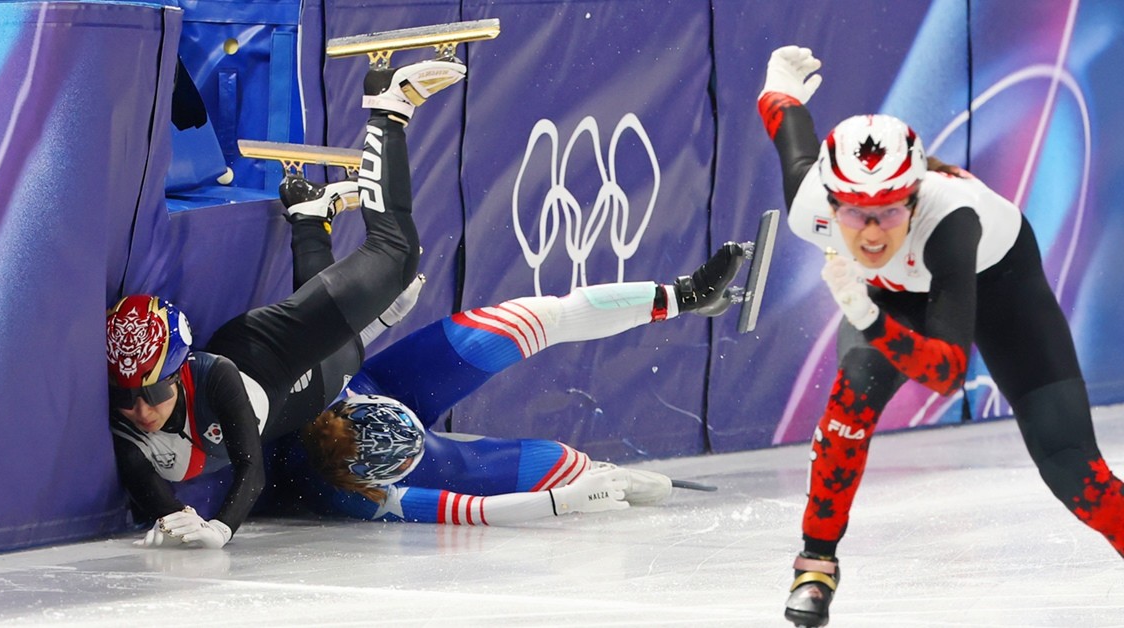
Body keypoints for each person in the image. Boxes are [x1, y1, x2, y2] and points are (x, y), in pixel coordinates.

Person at [756, 45, 1124, 626]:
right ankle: (815, 566)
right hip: (893, 297)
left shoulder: (952, 219)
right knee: (848, 405)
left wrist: (867, 317)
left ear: (916, 195)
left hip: (998, 287)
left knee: (1071, 467)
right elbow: (790, 134)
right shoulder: (811, 206)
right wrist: (777, 92)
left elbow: (947, 373)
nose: (871, 233)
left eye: (890, 211)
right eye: (853, 212)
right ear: (830, 202)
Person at [105, 57, 467, 549]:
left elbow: (250, 469)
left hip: (265, 353)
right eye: (125, 397)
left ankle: (388, 107)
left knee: (396, 256)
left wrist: (220, 528)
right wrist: (175, 519)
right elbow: (152, 494)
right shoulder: (130, 433)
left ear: (178, 371)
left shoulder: (214, 375)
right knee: (342, 352)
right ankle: (310, 217)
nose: (140, 410)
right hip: (305, 387)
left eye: (150, 393)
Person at [257, 241, 750, 524]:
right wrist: (564, 499)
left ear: (352, 405)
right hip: (378, 422)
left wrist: (379, 322)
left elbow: (319, 328)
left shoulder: (320, 392)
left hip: (377, 382)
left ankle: (684, 296)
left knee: (526, 323)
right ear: (383, 477)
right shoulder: (364, 497)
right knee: (563, 465)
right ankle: (598, 471)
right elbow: (476, 511)